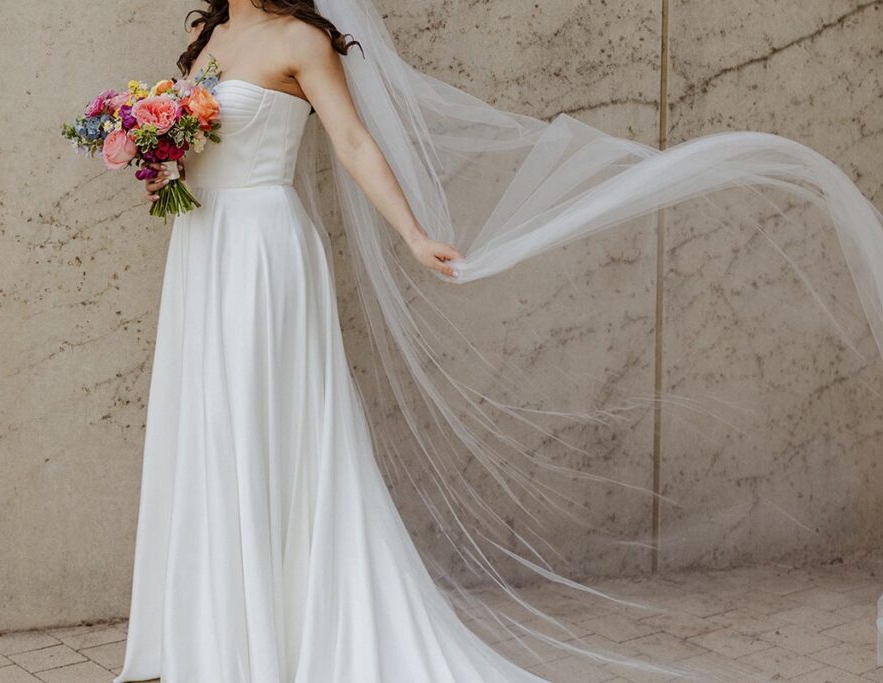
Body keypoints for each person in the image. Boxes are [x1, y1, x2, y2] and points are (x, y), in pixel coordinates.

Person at [116, 1, 883, 681]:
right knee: (209, 427)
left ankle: (269, 640)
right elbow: (196, 134)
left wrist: (415, 235)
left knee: (261, 425)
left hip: (261, 253)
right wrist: (155, 151)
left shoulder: (300, 39)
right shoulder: (208, 31)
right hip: (202, 245)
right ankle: (211, 630)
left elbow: (350, 143)